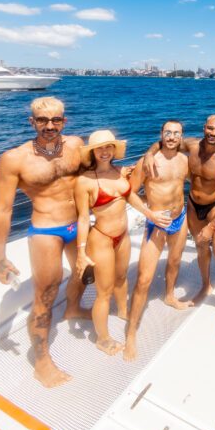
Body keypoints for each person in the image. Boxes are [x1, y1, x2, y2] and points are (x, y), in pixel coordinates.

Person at [0, 96, 88, 387]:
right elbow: (2, 209)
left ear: (64, 121)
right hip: (47, 229)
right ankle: (41, 361)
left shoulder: (76, 145)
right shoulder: (15, 159)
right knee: (46, 295)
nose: (49, 126)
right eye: (42, 120)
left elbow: (91, 177)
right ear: (31, 122)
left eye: (56, 120)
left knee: (85, 273)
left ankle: (72, 307)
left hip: (78, 224)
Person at [144, 115, 215, 334]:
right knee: (200, 248)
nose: (212, 133)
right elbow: (164, 141)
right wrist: (149, 153)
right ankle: (206, 285)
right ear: (204, 127)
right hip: (194, 205)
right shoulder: (192, 146)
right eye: (209, 128)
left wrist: (212, 226)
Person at [74, 130, 158, 356]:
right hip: (100, 238)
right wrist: (81, 252)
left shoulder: (120, 172)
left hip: (123, 236)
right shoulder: (85, 181)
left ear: (114, 150)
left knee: (121, 277)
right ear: (92, 152)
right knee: (104, 291)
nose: (105, 152)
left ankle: (122, 310)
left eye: (108, 147)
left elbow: (130, 195)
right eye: (100, 148)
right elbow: (82, 218)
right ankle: (102, 338)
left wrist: (149, 214)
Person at [124, 120, 190, 362]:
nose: (172, 137)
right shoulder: (149, 162)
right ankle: (131, 333)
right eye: (168, 132)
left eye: (176, 133)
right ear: (161, 134)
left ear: (182, 136)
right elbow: (129, 192)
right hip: (156, 221)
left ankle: (170, 295)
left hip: (179, 217)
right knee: (144, 279)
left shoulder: (185, 160)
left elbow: (201, 180)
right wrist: (149, 214)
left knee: (174, 261)